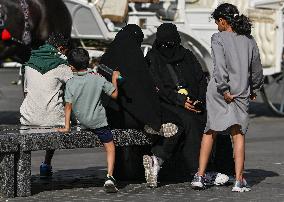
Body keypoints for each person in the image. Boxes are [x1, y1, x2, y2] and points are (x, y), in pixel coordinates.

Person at [191, 3, 264, 192]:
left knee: (210, 131)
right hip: (241, 91)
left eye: (217, 22)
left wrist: (224, 89)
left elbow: (220, 67)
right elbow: (256, 68)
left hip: (219, 91)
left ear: (222, 21)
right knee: (238, 134)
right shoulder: (249, 40)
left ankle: (200, 175)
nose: (217, 26)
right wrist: (254, 87)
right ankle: (239, 180)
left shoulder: (218, 38)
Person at [142, 23, 211, 188]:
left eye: (171, 44)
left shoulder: (186, 55)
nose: (168, 48)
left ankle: (208, 167)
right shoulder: (153, 58)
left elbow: (201, 79)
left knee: (208, 120)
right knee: (188, 121)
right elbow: (156, 86)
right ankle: (196, 169)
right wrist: (180, 101)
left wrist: (198, 100)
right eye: (165, 44)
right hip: (167, 103)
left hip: (192, 102)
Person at [57, 48, 120, 193]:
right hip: (99, 123)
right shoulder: (97, 78)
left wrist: (67, 127)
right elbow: (115, 94)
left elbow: (68, 107)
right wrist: (114, 79)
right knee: (110, 147)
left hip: (82, 122)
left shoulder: (71, 83)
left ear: (71, 66)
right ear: (88, 62)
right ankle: (110, 176)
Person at [99, 24, 177, 136]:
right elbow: (141, 95)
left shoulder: (106, 58)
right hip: (126, 118)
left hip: (105, 114)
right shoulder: (135, 61)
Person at [19, 32, 73, 178]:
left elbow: (25, 92)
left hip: (28, 119)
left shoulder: (29, 62)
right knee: (57, 113)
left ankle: (22, 169)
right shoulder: (62, 65)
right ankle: (46, 163)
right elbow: (76, 86)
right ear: (61, 48)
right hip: (54, 121)